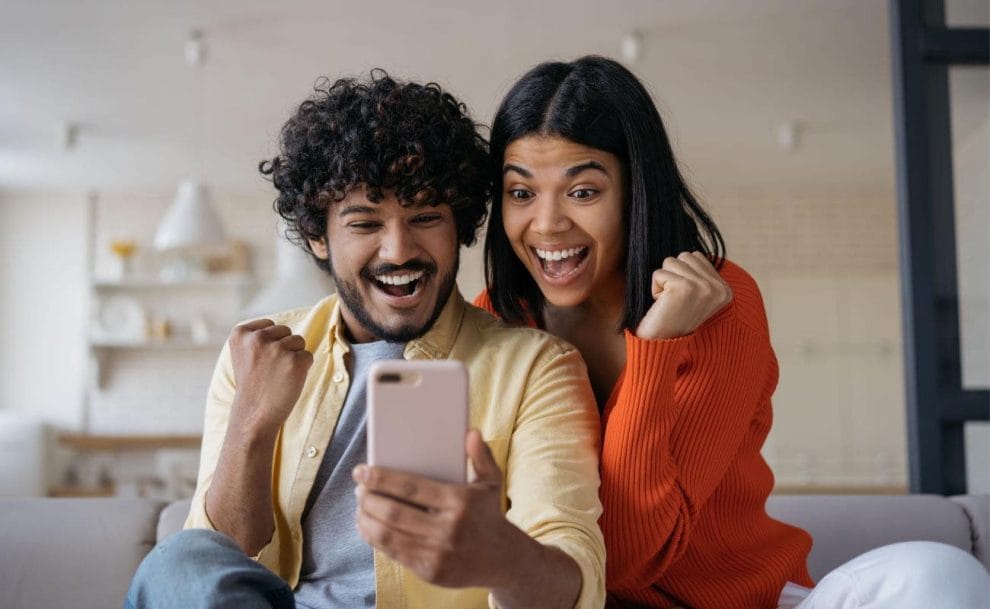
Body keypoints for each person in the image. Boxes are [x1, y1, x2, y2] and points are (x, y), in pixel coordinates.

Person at [476, 55, 990, 609]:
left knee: (938, 574)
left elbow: (629, 554)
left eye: (583, 192)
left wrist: (656, 347)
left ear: (636, 191)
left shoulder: (719, 303)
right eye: (521, 193)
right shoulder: (497, 323)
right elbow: (590, 565)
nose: (548, 223)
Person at [124, 71, 605, 609]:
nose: (399, 250)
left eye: (426, 217)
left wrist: (501, 557)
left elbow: (574, 571)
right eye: (364, 223)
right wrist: (252, 425)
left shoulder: (537, 367)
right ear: (317, 236)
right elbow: (213, 568)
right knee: (179, 562)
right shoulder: (254, 357)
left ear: (460, 227)